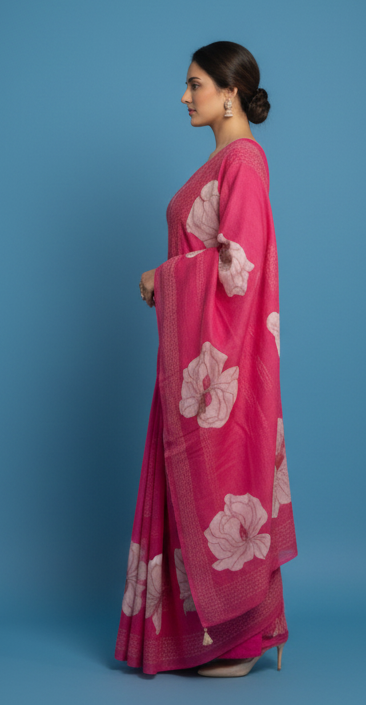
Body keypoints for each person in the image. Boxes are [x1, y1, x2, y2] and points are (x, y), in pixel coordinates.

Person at [114, 41, 297, 677]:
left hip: (221, 367)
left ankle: (239, 639)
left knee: (226, 484)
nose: (185, 97)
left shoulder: (244, 160)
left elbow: (237, 269)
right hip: (193, 366)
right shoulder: (222, 160)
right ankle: (209, 638)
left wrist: (162, 279)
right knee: (192, 479)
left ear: (229, 92)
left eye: (195, 85)